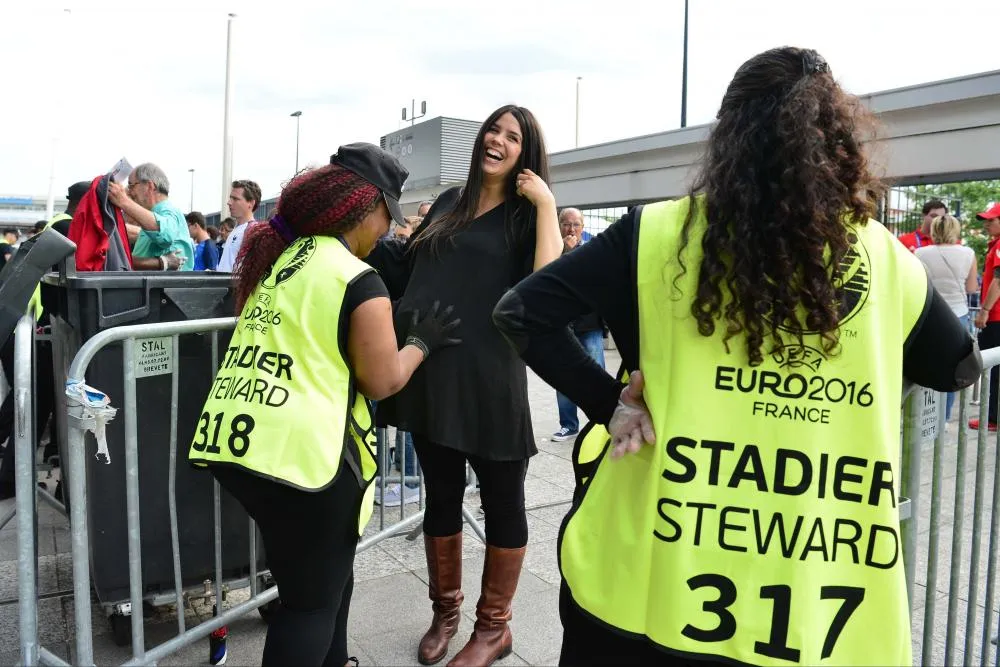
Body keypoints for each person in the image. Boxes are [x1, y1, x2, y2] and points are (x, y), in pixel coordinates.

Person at [493, 47, 981, 666]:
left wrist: (608, 403)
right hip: (809, 597)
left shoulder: (655, 233)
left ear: (726, 134)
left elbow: (519, 313)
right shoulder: (886, 261)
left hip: (646, 576)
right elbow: (958, 366)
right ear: (836, 141)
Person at [189, 143, 461, 667]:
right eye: (388, 216)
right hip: (309, 464)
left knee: (327, 583)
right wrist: (420, 345)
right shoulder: (358, 278)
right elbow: (381, 381)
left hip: (247, 449)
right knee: (307, 609)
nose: (387, 231)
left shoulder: (286, 259)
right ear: (365, 207)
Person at [367, 104, 561, 667]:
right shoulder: (452, 200)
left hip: (490, 372)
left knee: (504, 501)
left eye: (513, 137)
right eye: (493, 130)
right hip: (432, 366)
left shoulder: (528, 214)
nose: (497, 141)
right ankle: (445, 612)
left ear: (527, 153)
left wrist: (546, 203)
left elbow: (545, 286)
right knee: (442, 495)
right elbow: (409, 267)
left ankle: (494, 627)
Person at [552, 207, 607, 442]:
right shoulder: (551, 251)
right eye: (566, 223)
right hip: (562, 325)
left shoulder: (593, 252)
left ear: (583, 227)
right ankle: (568, 424)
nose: (571, 229)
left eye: (576, 224)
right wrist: (565, 252)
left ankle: (602, 421)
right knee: (563, 376)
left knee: (596, 373)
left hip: (588, 324)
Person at [916, 213, 977, 420]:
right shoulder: (968, 253)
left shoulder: (921, 253)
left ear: (934, 230)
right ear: (955, 230)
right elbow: (971, 288)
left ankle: (920, 417)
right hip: (958, 316)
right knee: (952, 371)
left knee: (921, 366)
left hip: (929, 315)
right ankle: (943, 418)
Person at [108, 163, 195, 270]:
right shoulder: (152, 217)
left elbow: (166, 234)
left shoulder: (168, 211)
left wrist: (123, 201)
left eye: (131, 185)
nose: (129, 192)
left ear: (150, 186)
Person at [971, 202, 1000, 431]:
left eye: (992, 220)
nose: (987, 224)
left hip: (996, 317)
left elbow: (999, 280)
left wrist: (985, 310)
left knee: (993, 368)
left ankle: (993, 419)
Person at [218, 180, 262, 272]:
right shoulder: (236, 229)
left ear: (251, 203)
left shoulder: (253, 231)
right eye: (230, 198)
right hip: (224, 285)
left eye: (235, 199)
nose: (229, 202)